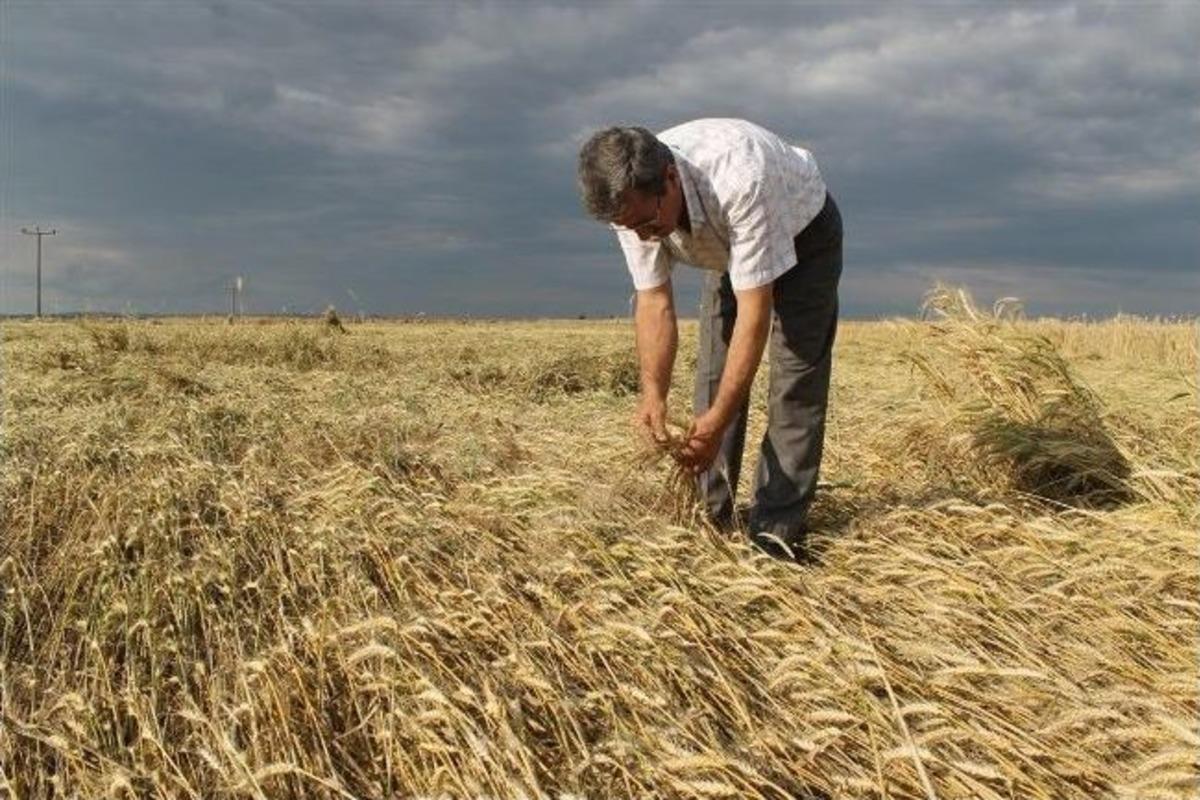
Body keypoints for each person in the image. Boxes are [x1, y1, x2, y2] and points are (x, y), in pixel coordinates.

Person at [576, 118, 842, 561]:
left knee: (794, 382)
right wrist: (653, 394)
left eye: (647, 222)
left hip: (804, 233)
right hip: (726, 248)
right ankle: (708, 520)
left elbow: (754, 313)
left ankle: (774, 536)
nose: (643, 235)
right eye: (631, 227)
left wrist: (719, 418)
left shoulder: (741, 179)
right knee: (713, 381)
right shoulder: (631, 205)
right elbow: (654, 302)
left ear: (670, 178)